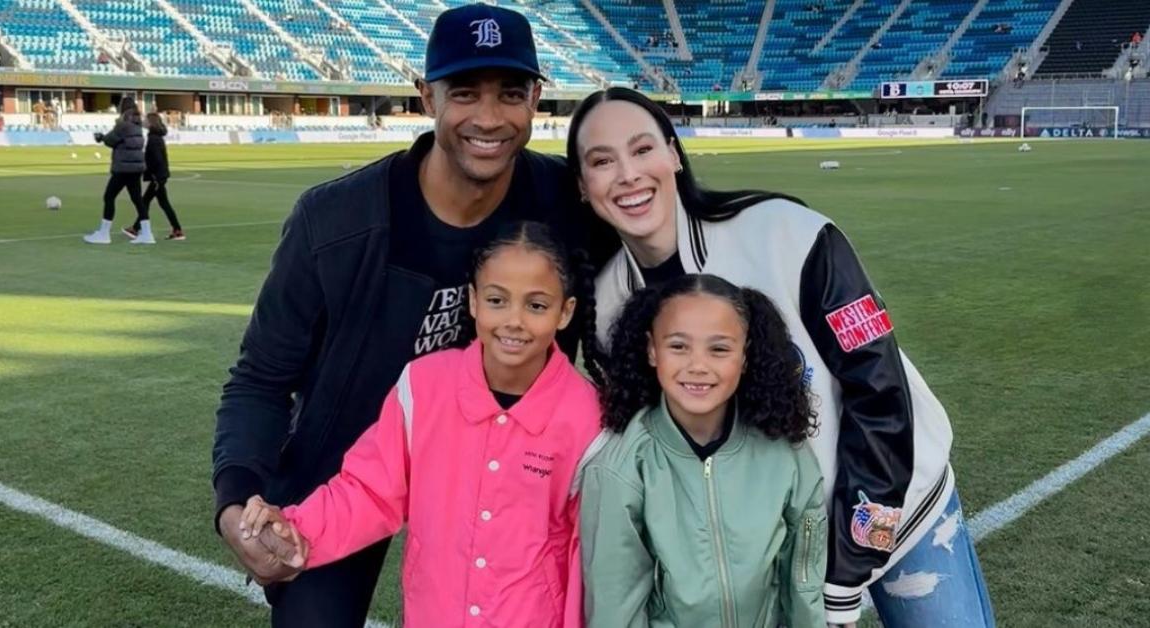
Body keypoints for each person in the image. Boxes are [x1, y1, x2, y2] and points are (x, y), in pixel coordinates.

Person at [211, 4, 602, 626]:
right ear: (426, 97)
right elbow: (260, 378)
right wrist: (237, 499)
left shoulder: (567, 203)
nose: (490, 118)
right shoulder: (332, 222)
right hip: (342, 474)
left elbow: (659, 229)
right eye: (464, 92)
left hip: (497, 465)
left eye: (511, 93)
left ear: (536, 98)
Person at [568, 87, 993, 627]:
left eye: (643, 148)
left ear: (674, 154)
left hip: (903, 509)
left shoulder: (787, 232)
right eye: (603, 161)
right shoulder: (608, 306)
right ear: (583, 187)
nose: (628, 174)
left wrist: (847, 568)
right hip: (780, 556)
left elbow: (880, 392)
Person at [238, 222, 601, 628]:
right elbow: (371, 490)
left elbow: (588, 551)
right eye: (497, 300)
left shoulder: (587, 416)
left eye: (536, 305)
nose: (513, 321)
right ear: (473, 301)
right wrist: (296, 529)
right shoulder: (424, 385)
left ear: (565, 311)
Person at [581, 274, 826, 627]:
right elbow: (615, 606)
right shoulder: (622, 467)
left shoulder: (785, 455)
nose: (698, 365)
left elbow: (804, 584)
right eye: (678, 346)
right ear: (652, 350)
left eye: (719, 349)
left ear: (745, 355)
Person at [83, 96, 151, 244]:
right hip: (136, 167)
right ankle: (147, 234)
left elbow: (110, 139)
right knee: (137, 200)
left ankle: (104, 233)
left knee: (109, 197)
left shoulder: (123, 124)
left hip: (123, 167)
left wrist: (101, 137)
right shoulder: (138, 124)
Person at [125, 112, 185, 241]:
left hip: (157, 177)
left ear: (151, 123)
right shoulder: (156, 137)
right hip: (159, 176)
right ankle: (177, 229)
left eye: (146, 120)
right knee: (160, 203)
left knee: (146, 202)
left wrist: (149, 170)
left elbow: (156, 160)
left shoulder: (153, 138)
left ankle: (136, 229)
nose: (144, 122)